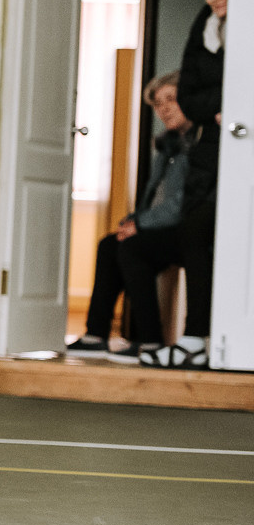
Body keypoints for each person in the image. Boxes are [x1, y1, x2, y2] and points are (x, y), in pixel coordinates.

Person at [66, 72, 193, 363]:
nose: (164, 109)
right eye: (158, 104)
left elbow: (181, 205)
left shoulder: (199, 146)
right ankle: (95, 335)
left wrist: (140, 225)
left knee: (132, 248)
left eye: (171, 99)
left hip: (188, 231)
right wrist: (132, 221)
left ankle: (150, 342)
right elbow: (154, 197)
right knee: (109, 244)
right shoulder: (168, 145)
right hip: (162, 227)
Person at [141, 0, 227, 369]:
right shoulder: (204, 26)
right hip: (213, 149)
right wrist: (221, 106)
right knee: (196, 233)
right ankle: (194, 338)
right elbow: (190, 97)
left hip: (237, 145)